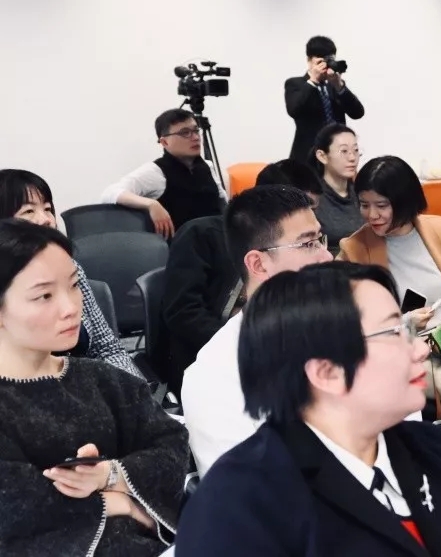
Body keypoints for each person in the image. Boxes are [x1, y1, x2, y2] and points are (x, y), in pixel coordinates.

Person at [175, 262, 441, 556]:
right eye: (396, 332)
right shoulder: (240, 505)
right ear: (327, 372)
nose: (421, 350)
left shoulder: (433, 448)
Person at [0, 220, 188, 556]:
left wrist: (110, 475)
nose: (71, 308)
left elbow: (171, 445)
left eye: (74, 286)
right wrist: (119, 504)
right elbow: (17, 510)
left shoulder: (104, 379)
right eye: (44, 296)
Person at [182, 185, 334, 476]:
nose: (326, 257)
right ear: (258, 264)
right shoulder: (216, 375)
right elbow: (243, 490)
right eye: (307, 244)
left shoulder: (343, 328)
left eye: (320, 239)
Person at [160, 160, 322, 393]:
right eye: (307, 242)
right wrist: (246, 345)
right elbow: (183, 312)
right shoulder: (202, 235)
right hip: (213, 354)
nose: (310, 217)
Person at [0, 169, 143, 379]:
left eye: (48, 209)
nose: (46, 219)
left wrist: (134, 391)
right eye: (29, 211)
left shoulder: (69, 267)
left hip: (90, 385)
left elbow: (107, 348)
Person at [339, 156, 441, 330]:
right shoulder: (354, 248)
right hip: (402, 342)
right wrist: (403, 323)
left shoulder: (440, 229)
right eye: (364, 205)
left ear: (404, 202)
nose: (372, 215)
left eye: (381, 205)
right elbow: (345, 316)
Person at [101, 108, 227, 238]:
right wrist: (151, 204)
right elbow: (110, 193)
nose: (195, 137)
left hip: (218, 242)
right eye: (185, 133)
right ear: (165, 142)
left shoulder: (207, 166)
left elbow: (224, 204)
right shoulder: (155, 172)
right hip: (182, 246)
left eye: (196, 131)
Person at [286, 35, 366, 162]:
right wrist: (313, 80)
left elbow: (358, 113)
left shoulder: (334, 85)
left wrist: (339, 86)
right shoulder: (296, 84)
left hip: (338, 155)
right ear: (309, 60)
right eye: (320, 61)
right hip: (308, 157)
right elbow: (294, 110)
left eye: (329, 60)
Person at [308, 123, 365, 256]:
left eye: (356, 150)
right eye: (344, 151)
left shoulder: (362, 193)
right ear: (322, 156)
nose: (352, 158)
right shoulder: (313, 198)